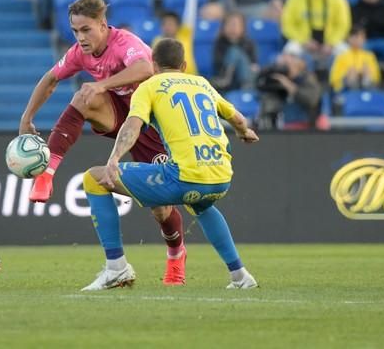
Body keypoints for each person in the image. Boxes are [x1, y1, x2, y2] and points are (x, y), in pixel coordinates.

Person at [20, 0, 188, 285]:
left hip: (152, 122)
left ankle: (176, 254)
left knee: (160, 208)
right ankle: (47, 173)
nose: (80, 38)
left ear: (103, 25)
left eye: (86, 30)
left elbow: (145, 69)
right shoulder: (78, 53)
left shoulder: (125, 43)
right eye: (75, 31)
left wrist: (102, 84)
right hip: (120, 113)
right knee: (84, 97)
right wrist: (26, 118)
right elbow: (50, 79)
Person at [80, 38, 259, 291]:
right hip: (221, 176)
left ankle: (115, 268)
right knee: (201, 205)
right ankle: (240, 276)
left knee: (93, 179)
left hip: (184, 176)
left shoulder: (150, 86)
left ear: (153, 65)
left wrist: (114, 159)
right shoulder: (202, 83)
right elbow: (237, 118)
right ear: (184, 65)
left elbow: (133, 124)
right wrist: (244, 133)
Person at [281, 0, 352, 66]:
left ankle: (340, 80)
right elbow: (287, 25)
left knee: (345, 53)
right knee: (290, 51)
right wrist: (304, 41)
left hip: (330, 40)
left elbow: (343, 25)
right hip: (304, 40)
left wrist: (331, 43)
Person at [256, 50, 322, 130]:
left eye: (290, 63)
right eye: (285, 64)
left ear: (300, 64)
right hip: (284, 125)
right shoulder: (279, 80)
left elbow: (311, 100)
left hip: (306, 125)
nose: (287, 66)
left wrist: (289, 86)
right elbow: (261, 87)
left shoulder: (308, 79)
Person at [211, 11, 258, 92]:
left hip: (244, 77)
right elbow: (218, 64)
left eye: (235, 24)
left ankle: (228, 80)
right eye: (229, 24)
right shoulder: (219, 43)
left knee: (235, 52)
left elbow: (253, 65)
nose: (232, 28)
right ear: (223, 27)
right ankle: (229, 80)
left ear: (243, 27)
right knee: (233, 52)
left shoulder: (249, 43)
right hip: (227, 77)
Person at [328, 26, 381, 93]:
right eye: (356, 37)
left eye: (361, 37)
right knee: (351, 74)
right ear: (349, 38)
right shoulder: (341, 57)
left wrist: (364, 75)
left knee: (367, 73)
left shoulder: (370, 56)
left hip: (368, 88)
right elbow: (334, 80)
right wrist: (346, 76)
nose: (358, 40)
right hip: (346, 90)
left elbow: (377, 78)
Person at [151, 10, 197, 75]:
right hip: (164, 80)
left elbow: (190, 16)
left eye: (170, 24)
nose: (167, 27)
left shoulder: (185, 37)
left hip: (189, 77)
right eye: (164, 24)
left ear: (178, 26)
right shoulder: (157, 41)